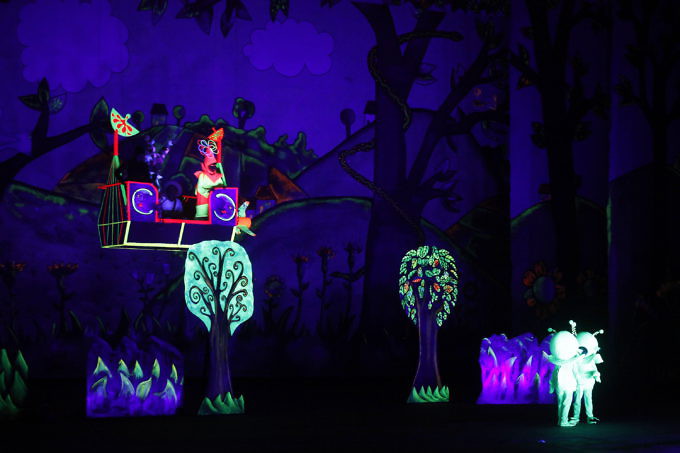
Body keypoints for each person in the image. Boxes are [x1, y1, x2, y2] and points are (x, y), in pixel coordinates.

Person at [570, 330, 604, 424]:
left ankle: (590, 416)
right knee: (577, 400)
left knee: (588, 399)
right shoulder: (576, 360)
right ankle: (576, 417)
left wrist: (596, 375)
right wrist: (577, 378)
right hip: (579, 382)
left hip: (589, 382)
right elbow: (574, 370)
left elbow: (594, 369)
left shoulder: (591, 359)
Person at [194, 129, 225, 219]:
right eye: (211, 165)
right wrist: (212, 191)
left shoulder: (219, 176)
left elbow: (222, 188)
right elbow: (201, 189)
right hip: (203, 206)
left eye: (214, 165)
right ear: (206, 165)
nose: (213, 167)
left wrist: (217, 191)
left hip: (215, 207)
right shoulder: (202, 176)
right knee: (202, 219)